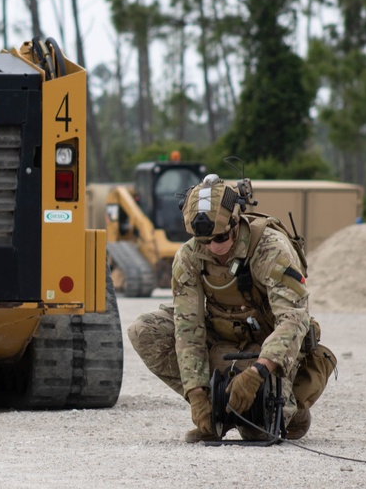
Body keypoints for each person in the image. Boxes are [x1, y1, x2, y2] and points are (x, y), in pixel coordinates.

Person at [128, 173, 333, 443]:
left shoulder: (270, 249)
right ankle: (219, 407)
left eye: (220, 238)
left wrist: (258, 372)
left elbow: (293, 320)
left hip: (268, 346)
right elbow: (188, 329)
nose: (213, 248)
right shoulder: (190, 256)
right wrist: (197, 394)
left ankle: (290, 409)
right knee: (144, 330)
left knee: (255, 431)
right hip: (222, 339)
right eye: (204, 241)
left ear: (236, 222)